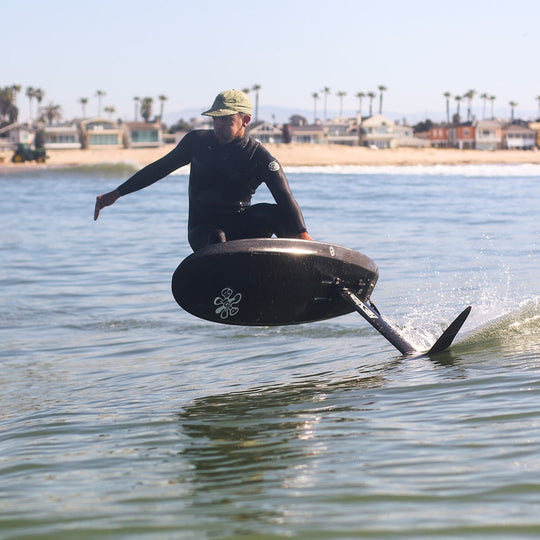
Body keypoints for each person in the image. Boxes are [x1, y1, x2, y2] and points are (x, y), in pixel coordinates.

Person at [94, 89, 313, 251]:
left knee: (271, 212)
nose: (218, 126)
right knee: (217, 238)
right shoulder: (197, 143)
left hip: (241, 225)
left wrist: (303, 235)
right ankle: (225, 286)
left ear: (245, 120)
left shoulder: (259, 157)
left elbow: (285, 197)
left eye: (226, 120)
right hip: (203, 230)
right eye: (215, 119)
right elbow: (160, 168)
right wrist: (116, 194)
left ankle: (302, 270)